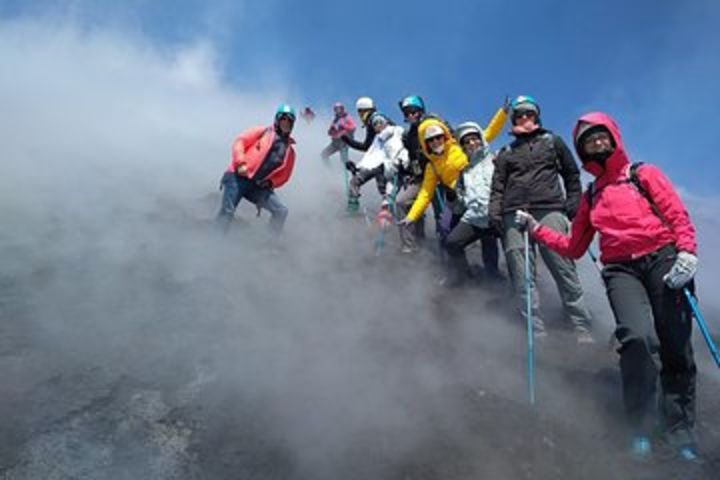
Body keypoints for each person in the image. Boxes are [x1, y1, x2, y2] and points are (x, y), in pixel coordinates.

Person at [515, 112, 699, 461]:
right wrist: (536, 230)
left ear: (614, 137)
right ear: (582, 151)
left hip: (664, 257)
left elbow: (677, 215)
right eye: (588, 140)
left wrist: (687, 253)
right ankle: (641, 425)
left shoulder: (643, 174)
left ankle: (680, 428)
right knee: (637, 338)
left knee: (675, 343)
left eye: (601, 135)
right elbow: (574, 247)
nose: (596, 142)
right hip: (620, 270)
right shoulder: (592, 195)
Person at [489, 95, 593, 343]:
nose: (524, 118)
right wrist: (495, 213)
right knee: (521, 272)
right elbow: (498, 186)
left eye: (529, 114)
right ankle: (534, 328)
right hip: (512, 212)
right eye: (520, 115)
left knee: (562, 267)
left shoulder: (552, 142)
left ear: (537, 116)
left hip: (549, 209)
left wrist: (574, 202)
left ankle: (580, 324)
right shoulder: (506, 152)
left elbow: (571, 173)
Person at [395, 95, 509, 253]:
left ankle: (492, 273)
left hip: (477, 196)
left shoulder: (459, 147)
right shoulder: (432, 165)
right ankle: (459, 272)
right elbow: (425, 194)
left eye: (438, 137)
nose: (436, 142)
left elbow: (486, 135)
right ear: (425, 143)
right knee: (445, 230)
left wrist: (502, 114)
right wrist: (411, 217)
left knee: (486, 237)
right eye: (431, 140)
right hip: (456, 200)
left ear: (444, 135)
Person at [215, 104, 296, 236]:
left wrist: (271, 183)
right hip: (237, 177)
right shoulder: (263, 131)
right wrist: (240, 163)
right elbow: (240, 142)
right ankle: (214, 241)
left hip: (257, 186)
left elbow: (285, 175)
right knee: (227, 211)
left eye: (289, 121)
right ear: (277, 119)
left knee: (281, 211)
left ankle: (269, 246)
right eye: (283, 119)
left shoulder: (289, 151)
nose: (286, 123)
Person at [442, 121, 503, 285]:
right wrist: (453, 198)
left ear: (481, 139)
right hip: (475, 217)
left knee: (512, 250)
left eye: (474, 139)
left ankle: (501, 282)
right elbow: (460, 206)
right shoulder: (464, 172)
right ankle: (464, 276)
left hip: (498, 214)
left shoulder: (496, 159)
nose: (471, 143)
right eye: (466, 142)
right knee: (452, 243)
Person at [347, 112, 407, 210]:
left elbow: (403, 149)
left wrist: (402, 161)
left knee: (389, 191)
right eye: (375, 124)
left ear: (386, 123)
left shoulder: (396, 132)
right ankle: (354, 205)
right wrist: (357, 167)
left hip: (395, 168)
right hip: (379, 167)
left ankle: (391, 209)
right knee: (355, 181)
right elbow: (370, 157)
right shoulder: (377, 140)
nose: (378, 125)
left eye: (380, 122)